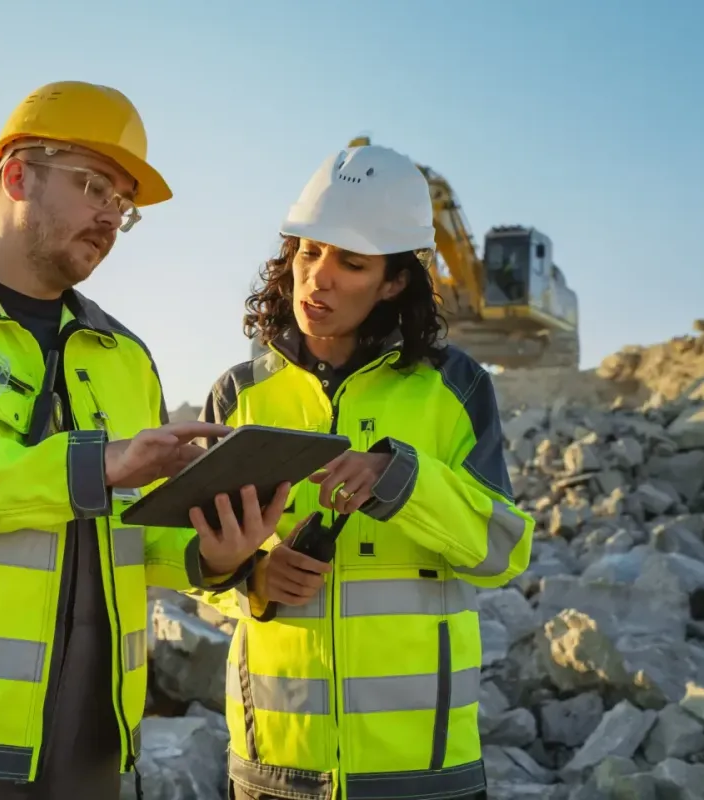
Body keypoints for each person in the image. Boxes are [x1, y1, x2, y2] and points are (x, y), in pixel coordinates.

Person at [0, 80, 286, 800]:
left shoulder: (123, 356)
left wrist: (211, 554)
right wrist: (93, 466)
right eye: (94, 185)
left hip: (88, 760)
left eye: (123, 205)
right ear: (16, 174)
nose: (110, 216)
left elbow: (131, 535)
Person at [189, 143, 536, 800]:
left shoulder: (454, 388)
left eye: (351, 263)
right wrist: (252, 574)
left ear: (395, 282)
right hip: (273, 769)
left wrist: (403, 481)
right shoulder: (239, 397)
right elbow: (186, 554)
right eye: (310, 251)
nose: (318, 277)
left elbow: (503, 551)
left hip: (424, 772)